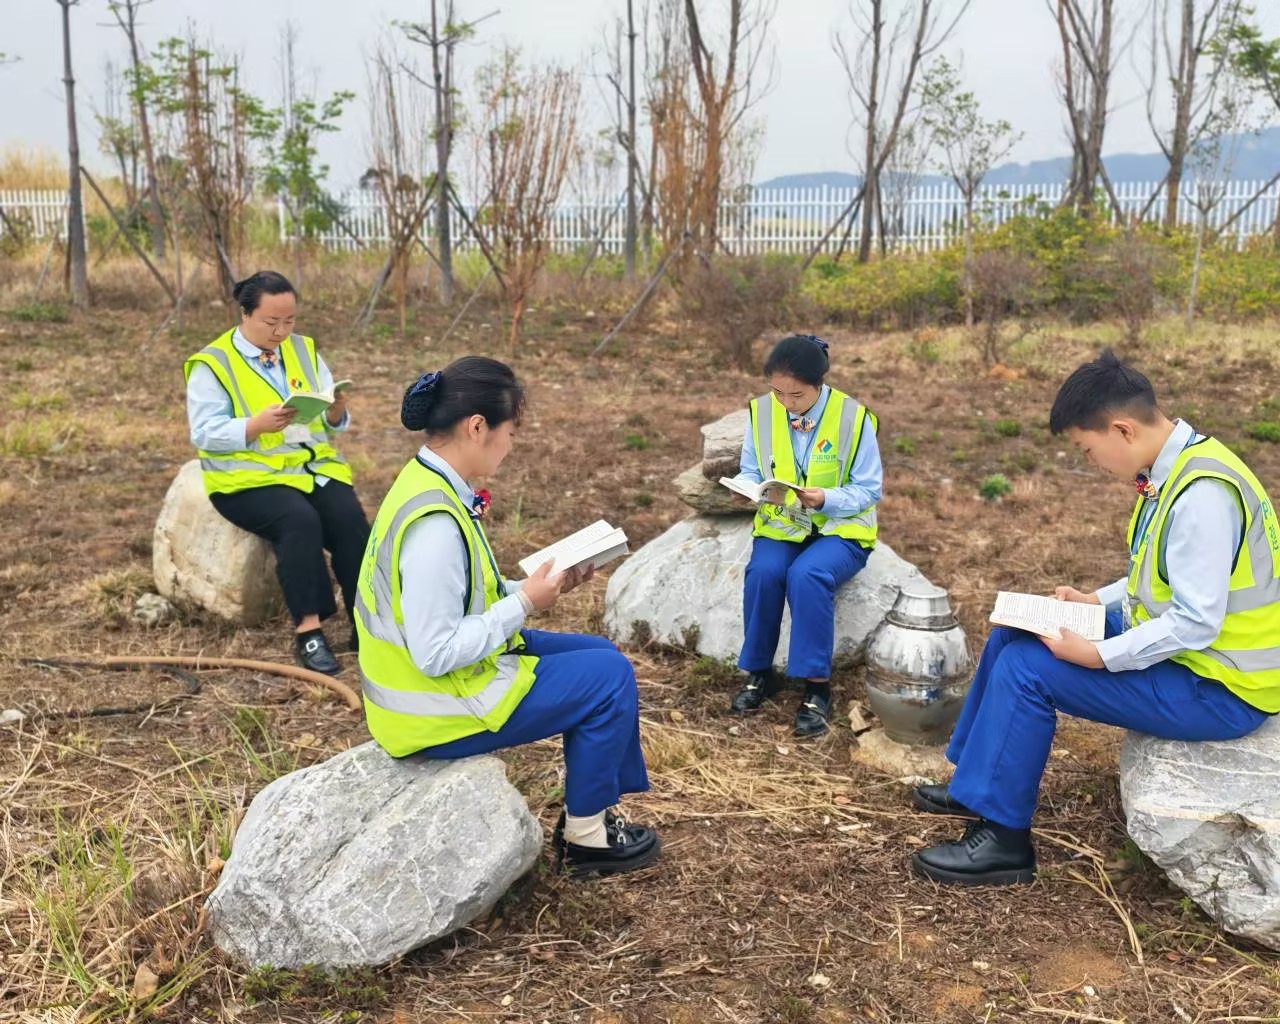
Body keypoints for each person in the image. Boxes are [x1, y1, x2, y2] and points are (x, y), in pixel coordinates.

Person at [911, 350, 1278, 886]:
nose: (1091, 462)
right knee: (1014, 634)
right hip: (1193, 658)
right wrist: (1094, 601)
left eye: (1088, 449)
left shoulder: (1202, 496)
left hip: (1222, 686)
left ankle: (1004, 842)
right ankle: (976, 782)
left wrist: (1099, 655)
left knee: (1028, 671)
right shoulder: (1176, 469)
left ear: (1122, 429)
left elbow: (1196, 621)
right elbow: (1160, 576)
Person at [354, 356, 660, 877]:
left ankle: (594, 810)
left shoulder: (426, 482)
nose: (511, 446)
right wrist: (524, 604)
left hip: (434, 685)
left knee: (601, 654)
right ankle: (587, 839)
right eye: (511, 433)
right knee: (608, 677)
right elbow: (435, 652)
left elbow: (460, 598)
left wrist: (540, 586)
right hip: (430, 708)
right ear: (477, 427)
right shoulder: (434, 525)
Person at [184, 270, 371, 676]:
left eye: (289, 320)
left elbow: (325, 417)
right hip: (245, 481)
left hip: (308, 469)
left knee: (350, 521)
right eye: (271, 322)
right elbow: (203, 432)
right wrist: (253, 426)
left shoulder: (303, 350)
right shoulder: (213, 364)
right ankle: (309, 631)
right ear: (245, 314)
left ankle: (367, 623)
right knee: (299, 521)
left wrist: (336, 413)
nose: (282, 331)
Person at [727, 334, 883, 737]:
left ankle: (816, 687)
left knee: (807, 575)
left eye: (795, 395)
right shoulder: (762, 412)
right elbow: (751, 467)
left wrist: (826, 498)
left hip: (840, 529)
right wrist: (746, 487)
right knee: (763, 573)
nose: (785, 403)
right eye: (777, 392)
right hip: (782, 524)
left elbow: (869, 489)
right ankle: (759, 673)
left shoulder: (854, 418)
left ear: (819, 384)